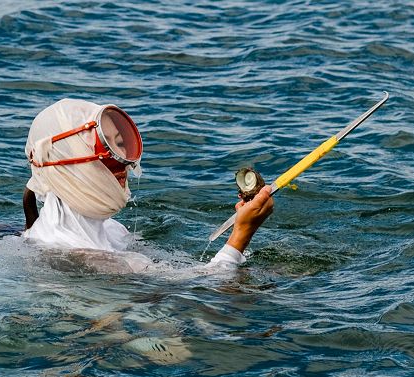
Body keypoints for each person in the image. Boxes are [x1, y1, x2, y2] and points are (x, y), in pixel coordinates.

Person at [22, 98, 274, 268]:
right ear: (65, 160)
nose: (121, 160)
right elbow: (204, 297)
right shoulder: (80, 255)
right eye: (104, 147)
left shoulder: (110, 230)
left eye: (120, 144)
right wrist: (242, 233)